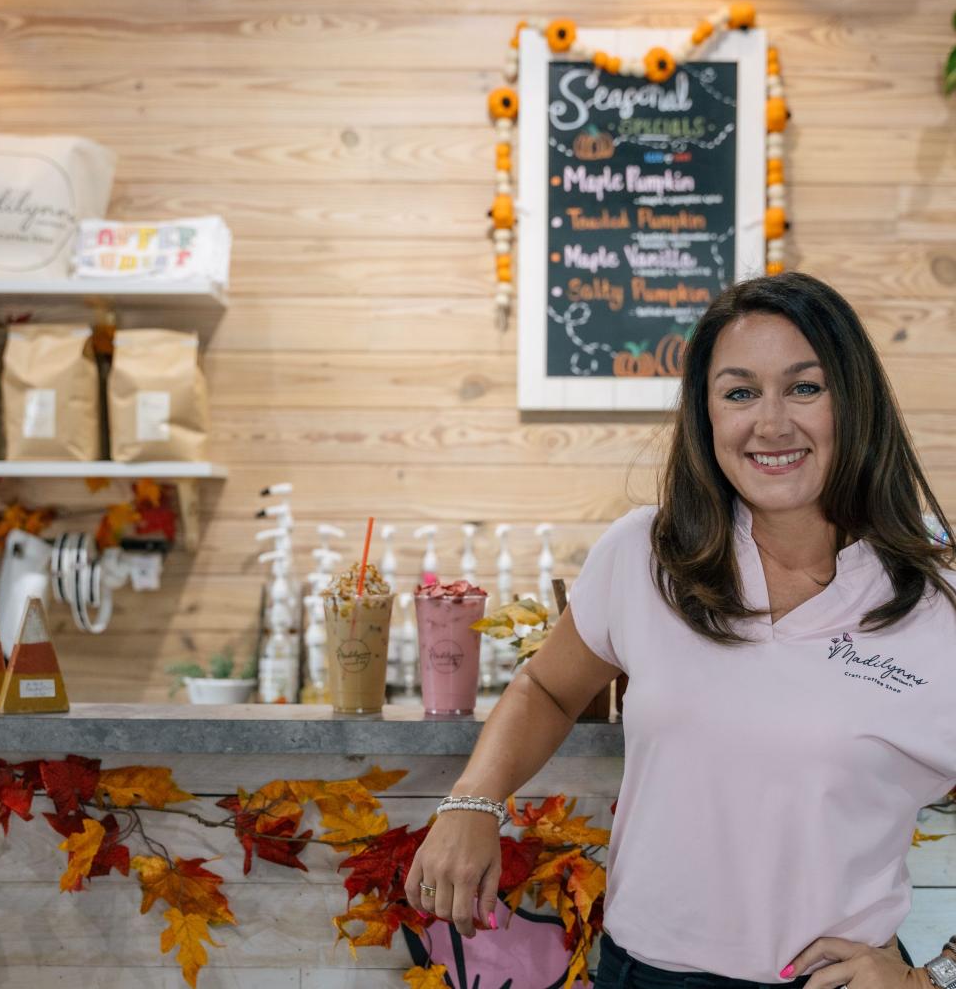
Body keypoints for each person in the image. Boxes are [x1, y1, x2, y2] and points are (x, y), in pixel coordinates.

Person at [404, 272, 956, 989]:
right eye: (739, 392)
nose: (771, 422)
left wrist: (932, 978)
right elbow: (545, 685)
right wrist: (474, 801)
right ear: (705, 416)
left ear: (856, 403)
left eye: (805, 387)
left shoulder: (937, 597)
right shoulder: (645, 554)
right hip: (641, 974)